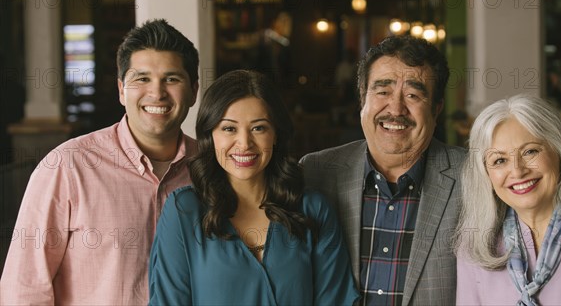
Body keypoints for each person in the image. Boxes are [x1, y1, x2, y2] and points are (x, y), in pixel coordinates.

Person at [0, 19, 199, 305]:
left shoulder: (211, 168)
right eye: (141, 79)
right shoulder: (67, 168)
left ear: (193, 90)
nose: (157, 93)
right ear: (121, 89)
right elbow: (25, 288)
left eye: (172, 79)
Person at [148, 70, 358, 305]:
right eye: (229, 128)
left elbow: (335, 300)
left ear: (276, 134)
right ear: (211, 136)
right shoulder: (184, 211)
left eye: (259, 128)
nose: (245, 144)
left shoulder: (313, 209)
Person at [301, 35, 466, 305]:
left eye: (413, 94)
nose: (396, 108)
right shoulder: (315, 173)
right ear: (362, 101)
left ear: (436, 109)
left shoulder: (473, 177)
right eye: (382, 92)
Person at [455, 94, 561, 305]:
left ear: (559, 152)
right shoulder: (473, 244)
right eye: (500, 160)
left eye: (530, 151)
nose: (517, 170)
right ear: (485, 174)